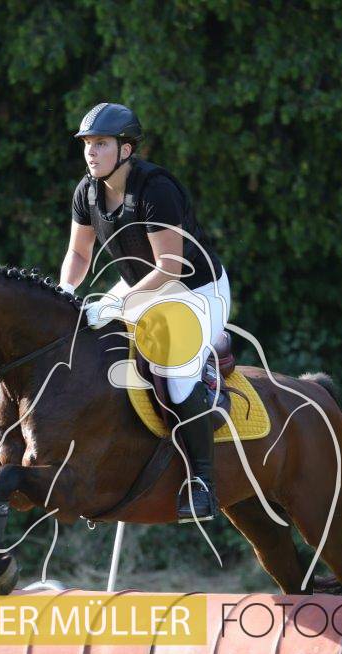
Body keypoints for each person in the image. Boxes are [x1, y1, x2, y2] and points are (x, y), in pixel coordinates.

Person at [58, 102, 231, 523]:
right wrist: (65, 293)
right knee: (93, 341)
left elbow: (170, 267)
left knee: (176, 372)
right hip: (141, 283)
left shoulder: (156, 189)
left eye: (101, 143)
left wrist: (119, 303)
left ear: (127, 149)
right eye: (87, 144)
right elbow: (79, 254)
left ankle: (202, 482)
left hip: (196, 289)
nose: (91, 152)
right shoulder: (87, 191)